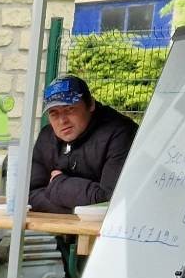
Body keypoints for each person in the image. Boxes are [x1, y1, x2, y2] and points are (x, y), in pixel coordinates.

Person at [26, 74, 137, 212]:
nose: (62, 121)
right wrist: (74, 210)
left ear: (90, 104)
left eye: (69, 109)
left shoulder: (120, 133)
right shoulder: (46, 136)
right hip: (66, 229)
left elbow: (109, 201)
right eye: (54, 113)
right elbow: (29, 195)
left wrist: (58, 184)